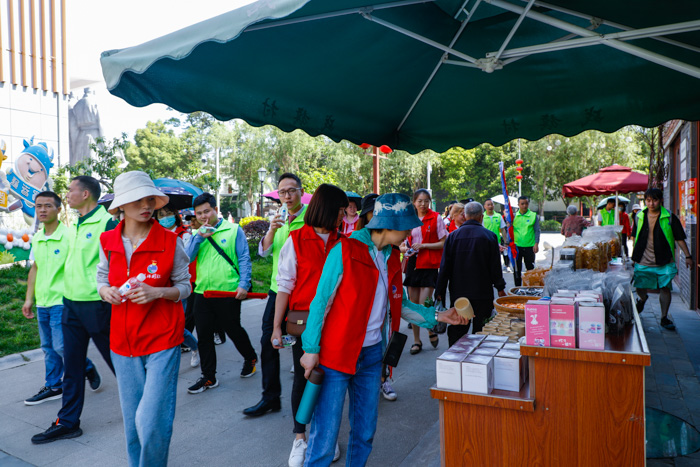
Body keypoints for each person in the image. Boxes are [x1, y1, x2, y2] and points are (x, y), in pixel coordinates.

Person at [300, 193, 468, 466]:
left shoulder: (391, 258)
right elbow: (321, 303)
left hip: (371, 357)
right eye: (405, 228)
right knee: (324, 438)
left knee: (365, 433)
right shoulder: (345, 250)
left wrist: (439, 315)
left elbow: (398, 304)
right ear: (387, 225)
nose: (409, 234)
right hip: (335, 357)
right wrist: (310, 349)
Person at [97, 171, 191, 467]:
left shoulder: (169, 241)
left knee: (150, 421)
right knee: (132, 425)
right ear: (121, 206)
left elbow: (186, 287)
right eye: (137, 200)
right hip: (122, 343)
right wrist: (105, 291)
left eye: (150, 199)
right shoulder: (107, 240)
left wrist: (157, 293)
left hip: (162, 339)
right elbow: (101, 276)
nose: (146, 205)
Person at [32, 176, 118, 444]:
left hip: (97, 305)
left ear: (86, 194)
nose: (67, 194)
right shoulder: (78, 224)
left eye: (70, 190)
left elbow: (116, 265)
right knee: (72, 368)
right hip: (69, 304)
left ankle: (147, 404)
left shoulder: (107, 223)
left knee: (119, 363)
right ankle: (68, 422)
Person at [270, 184, 347, 467]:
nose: (344, 216)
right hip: (303, 325)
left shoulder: (343, 240)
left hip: (336, 323)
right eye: (340, 211)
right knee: (304, 377)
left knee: (330, 380)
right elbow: (284, 286)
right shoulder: (296, 239)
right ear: (328, 209)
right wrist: (276, 327)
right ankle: (299, 437)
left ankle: (325, 436)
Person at [22, 192, 98, 405]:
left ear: (58, 209)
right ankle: (54, 385)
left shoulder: (70, 235)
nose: (42, 210)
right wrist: (29, 299)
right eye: (39, 206)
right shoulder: (37, 238)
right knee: (47, 347)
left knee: (61, 346)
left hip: (63, 301)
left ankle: (87, 367)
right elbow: (35, 269)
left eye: (48, 206)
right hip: (43, 302)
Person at [244, 173, 307, 417]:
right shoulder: (278, 219)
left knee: (299, 345)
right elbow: (264, 252)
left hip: (301, 293)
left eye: (291, 190)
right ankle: (270, 397)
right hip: (276, 290)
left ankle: (303, 405)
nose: (287, 195)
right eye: (282, 192)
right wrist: (271, 229)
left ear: (301, 191)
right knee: (268, 342)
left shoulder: (309, 219)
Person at [186, 193, 257, 393]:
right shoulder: (196, 234)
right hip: (203, 292)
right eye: (199, 213)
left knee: (233, 330)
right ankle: (209, 377)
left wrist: (244, 284)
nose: (203, 216)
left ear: (215, 210)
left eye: (207, 211)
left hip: (228, 292)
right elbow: (186, 257)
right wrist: (199, 237)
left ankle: (250, 357)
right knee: (204, 336)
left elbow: (244, 258)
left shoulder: (234, 230)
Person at [436, 202, 507, 345]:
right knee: (481, 330)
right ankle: (479, 363)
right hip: (483, 293)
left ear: (465, 216)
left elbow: (444, 268)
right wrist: (500, 288)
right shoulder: (490, 236)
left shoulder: (453, 237)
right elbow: (495, 267)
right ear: (481, 217)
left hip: (459, 294)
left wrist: (440, 292)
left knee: (458, 329)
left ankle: (455, 360)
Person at [632, 188, 691, 330]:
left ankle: (664, 317)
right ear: (645, 201)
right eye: (648, 200)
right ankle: (643, 299)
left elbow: (679, 238)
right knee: (640, 286)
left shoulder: (669, 217)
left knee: (665, 288)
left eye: (654, 200)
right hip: (643, 259)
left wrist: (688, 256)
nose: (651, 204)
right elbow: (635, 235)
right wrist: (633, 254)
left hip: (664, 260)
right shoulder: (639, 216)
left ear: (661, 200)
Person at [402, 188, 447, 354]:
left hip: (429, 264)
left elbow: (443, 242)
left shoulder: (436, 217)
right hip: (412, 263)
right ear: (414, 202)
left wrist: (424, 246)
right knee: (413, 305)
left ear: (430, 202)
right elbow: (402, 241)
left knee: (423, 303)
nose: (423, 204)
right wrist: (403, 248)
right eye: (419, 201)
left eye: (426, 201)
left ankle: (429, 329)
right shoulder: (409, 218)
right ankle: (417, 340)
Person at [155, 204, 200, 367]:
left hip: (179, 285)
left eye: (168, 213)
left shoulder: (184, 236)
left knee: (177, 325)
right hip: (160, 285)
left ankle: (195, 347)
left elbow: (186, 258)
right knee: (163, 324)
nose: (164, 217)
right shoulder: (155, 236)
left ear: (175, 215)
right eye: (161, 214)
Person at [512, 196, 540, 287]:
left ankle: (530, 288)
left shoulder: (533, 215)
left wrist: (536, 243)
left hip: (530, 246)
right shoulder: (513, 216)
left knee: (530, 269)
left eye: (526, 203)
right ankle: (517, 288)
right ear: (518, 205)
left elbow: (537, 230)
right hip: (517, 247)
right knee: (517, 269)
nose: (524, 205)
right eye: (522, 204)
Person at [482, 200, 509, 271]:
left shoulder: (498, 216)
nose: (490, 206)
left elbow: (503, 230)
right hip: (485, 243)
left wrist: (506, 242)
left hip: (497, 243)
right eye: (488, 205)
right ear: (484, 206)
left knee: (496, 262)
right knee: (486, 262)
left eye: (492, 204)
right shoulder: (482, 217)